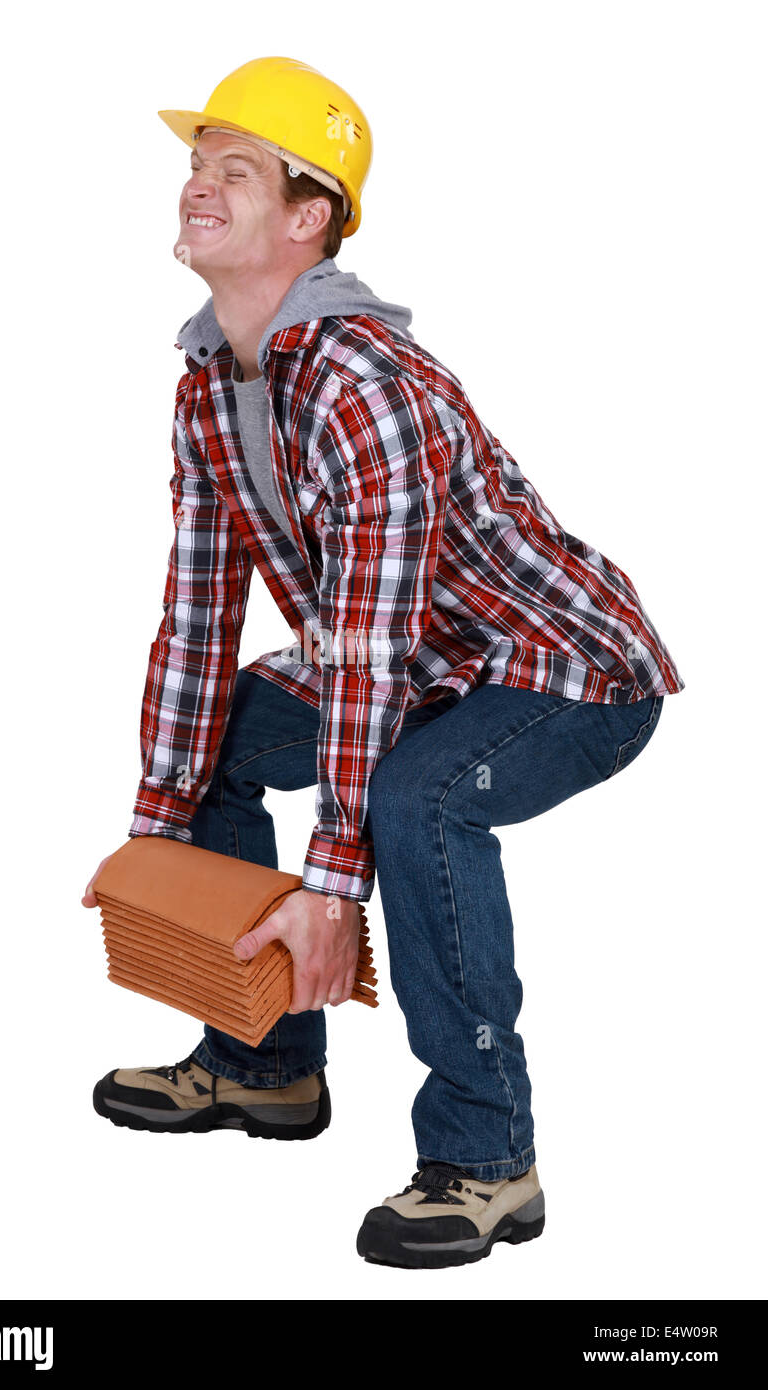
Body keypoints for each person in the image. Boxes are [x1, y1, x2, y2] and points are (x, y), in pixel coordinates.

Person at [82, 56, 685, 1270]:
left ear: (307, 218)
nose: (197, 185)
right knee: (217, 737)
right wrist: (156, 824)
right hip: (422, 672)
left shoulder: (364, 385)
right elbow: (198, 617)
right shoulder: (211, 386)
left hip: (562, 671)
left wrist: (329, 884)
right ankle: (264, 1064)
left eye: (232, 169)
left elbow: (364, 648)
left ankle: (486, 1156)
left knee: (418, 797)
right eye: (196, 165)